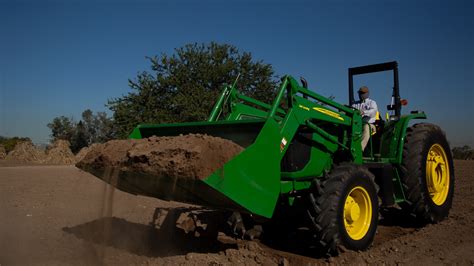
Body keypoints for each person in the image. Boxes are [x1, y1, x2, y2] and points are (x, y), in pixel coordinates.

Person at [352, 86, 378, 151]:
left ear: (367, 93)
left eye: (362, 93)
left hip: (369, 124)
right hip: (356, 124)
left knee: (366, 128)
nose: (361, 95)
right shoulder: (355, 104)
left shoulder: (372, 102)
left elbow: (373, 112)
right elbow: (351, 110)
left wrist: (364, 112)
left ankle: (359, 149)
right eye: (360, 93)